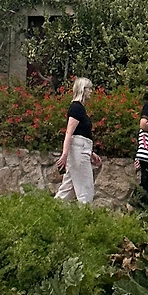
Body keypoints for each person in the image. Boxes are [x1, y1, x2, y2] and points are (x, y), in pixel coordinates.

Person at [54, 76, 97, 205]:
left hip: (82, 149)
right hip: (79, 151)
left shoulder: (80, 109)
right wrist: (65, 154)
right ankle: (85, 213)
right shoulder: (76, 108)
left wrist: (91, 153)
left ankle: (51, 209)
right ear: (83, 89)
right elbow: (70, 132)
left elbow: (81, 133)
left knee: (67, 189)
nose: (91, 91)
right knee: (85, 189)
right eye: (89, 89)